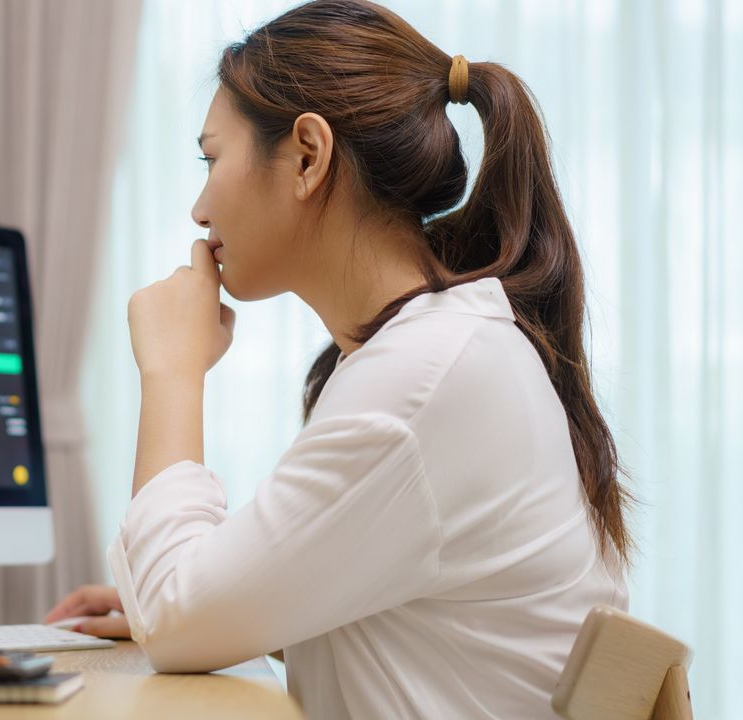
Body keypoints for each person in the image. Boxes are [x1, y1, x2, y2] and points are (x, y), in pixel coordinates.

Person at [45, 0, 632, 717]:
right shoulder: (443, 353)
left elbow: (173, 616)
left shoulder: (422, 381)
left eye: (212, 158)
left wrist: (172, 370)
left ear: (308, 156)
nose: (199, 210)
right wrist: (224, 602)